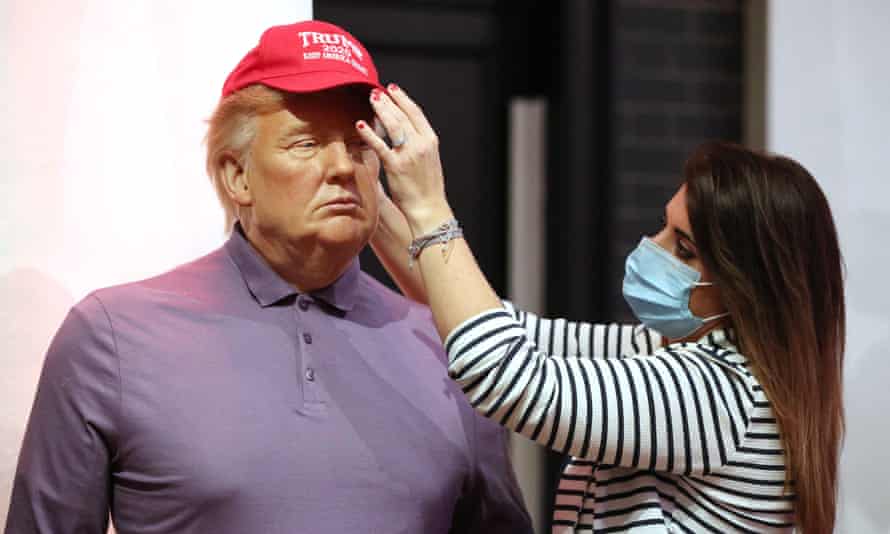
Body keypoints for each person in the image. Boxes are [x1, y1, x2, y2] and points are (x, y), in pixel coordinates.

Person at [4, 21, 533, 534]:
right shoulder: (112, 336)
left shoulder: (450, 348)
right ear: (237, 176)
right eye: (306, 144)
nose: (344, 168)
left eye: (359, 146)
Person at [358, 87, 845, 533]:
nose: (652, 249)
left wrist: (428, 206)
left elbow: (505, 374)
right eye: (664, 227)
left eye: (685, 249)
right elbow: (497, 325)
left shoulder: (717, 395)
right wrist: (372, 202)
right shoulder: (669, 348)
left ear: (746, 291)